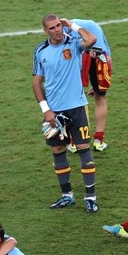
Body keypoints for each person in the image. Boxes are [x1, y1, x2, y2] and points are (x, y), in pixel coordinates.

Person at [32, 14, 100, 213]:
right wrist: (46, 110)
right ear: (46, 31)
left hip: (77, 106)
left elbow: (91, 40)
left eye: (59, 26)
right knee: (58, 151)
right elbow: (37, 82)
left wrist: (73, 25)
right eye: (52, 28)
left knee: (83, 148)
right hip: (54, 111)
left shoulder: (74, 43)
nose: (57, 30)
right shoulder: (41, 51)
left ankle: (90, 197)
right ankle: (67, 196)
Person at [64, 19, 112, 152]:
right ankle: (98, 140)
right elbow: (105, 55)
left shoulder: (58, 35)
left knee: (74, 101)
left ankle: (74, 141)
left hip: (90, 56)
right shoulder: (91, 27)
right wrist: (99, 84)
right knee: (100, 97)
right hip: (97, 56)